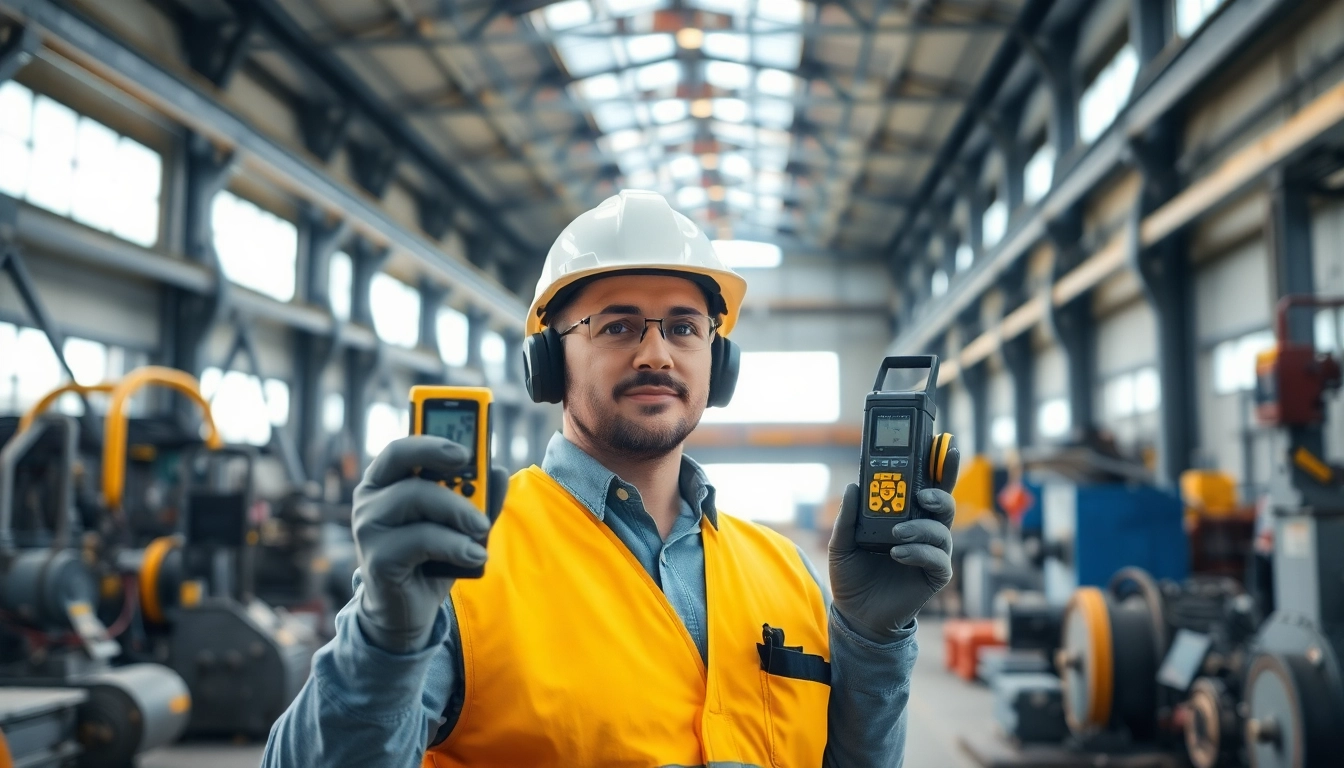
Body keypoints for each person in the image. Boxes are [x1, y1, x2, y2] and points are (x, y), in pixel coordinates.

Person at [262, 190, 957, 767]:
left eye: (684, 329)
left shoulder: (783, 572)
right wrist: (384, 640)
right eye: (618, 326)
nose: (657, 353)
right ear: (547, 363)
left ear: (720, 365)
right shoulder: (463, 562)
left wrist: (872, 640)